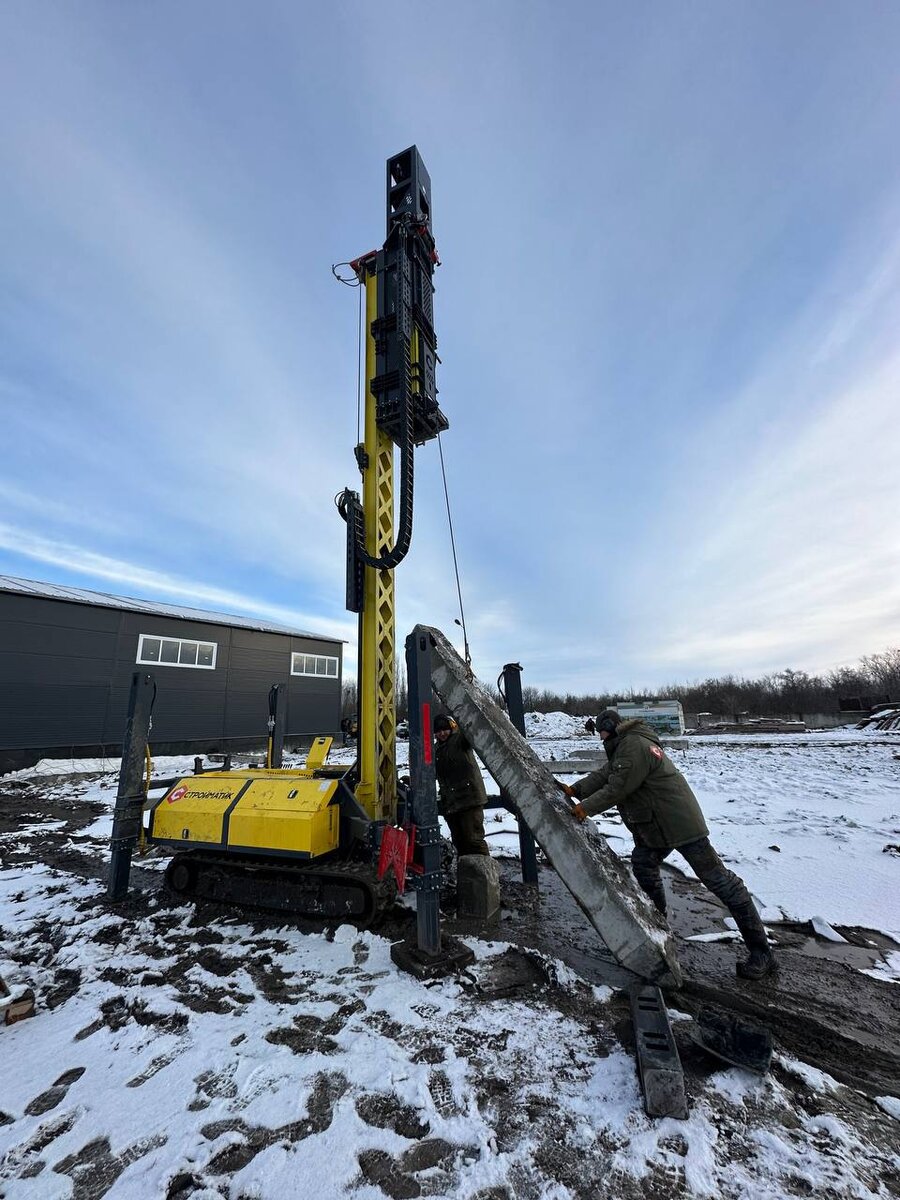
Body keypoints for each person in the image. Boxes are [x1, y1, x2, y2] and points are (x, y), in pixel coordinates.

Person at [562, 709, 776, 980]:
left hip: (679, 824)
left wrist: (584, 808)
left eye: (604, 734)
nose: (601, 739)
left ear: (614, 729)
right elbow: (606, 775)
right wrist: (575, 789)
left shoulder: (634, 746)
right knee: (643, 863)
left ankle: (762, 953)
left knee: (720, 881)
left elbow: (618, 787)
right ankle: (657, 923)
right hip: (658, 824)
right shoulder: (625, 745)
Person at [433, 714, 490, 857]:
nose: (442, 733)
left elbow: (473, 729)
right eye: (438, 731)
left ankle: (486, 876)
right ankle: (468, 876)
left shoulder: (460, 740)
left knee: (474, 841)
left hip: (469, 800)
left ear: (452, 727)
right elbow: (433, 773)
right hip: (452, 804)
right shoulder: (436, 750)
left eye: (445, 729)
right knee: (460, 843)